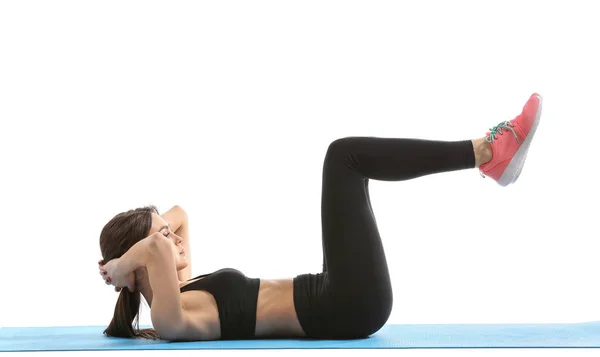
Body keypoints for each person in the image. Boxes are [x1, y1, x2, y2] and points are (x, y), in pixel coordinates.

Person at [98, 93, 543, 341]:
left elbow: (179, 218)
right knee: (343, 157)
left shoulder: (182, 289)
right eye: (160, 241)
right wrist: (121, 266)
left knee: (344, 159)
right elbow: (157, 244)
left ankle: (490, 156)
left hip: (335, 292)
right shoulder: (171, 319)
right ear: (140, 269)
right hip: (345, 306)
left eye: (164, 236)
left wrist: (136, 253)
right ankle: (486, 152)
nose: (173, 240)